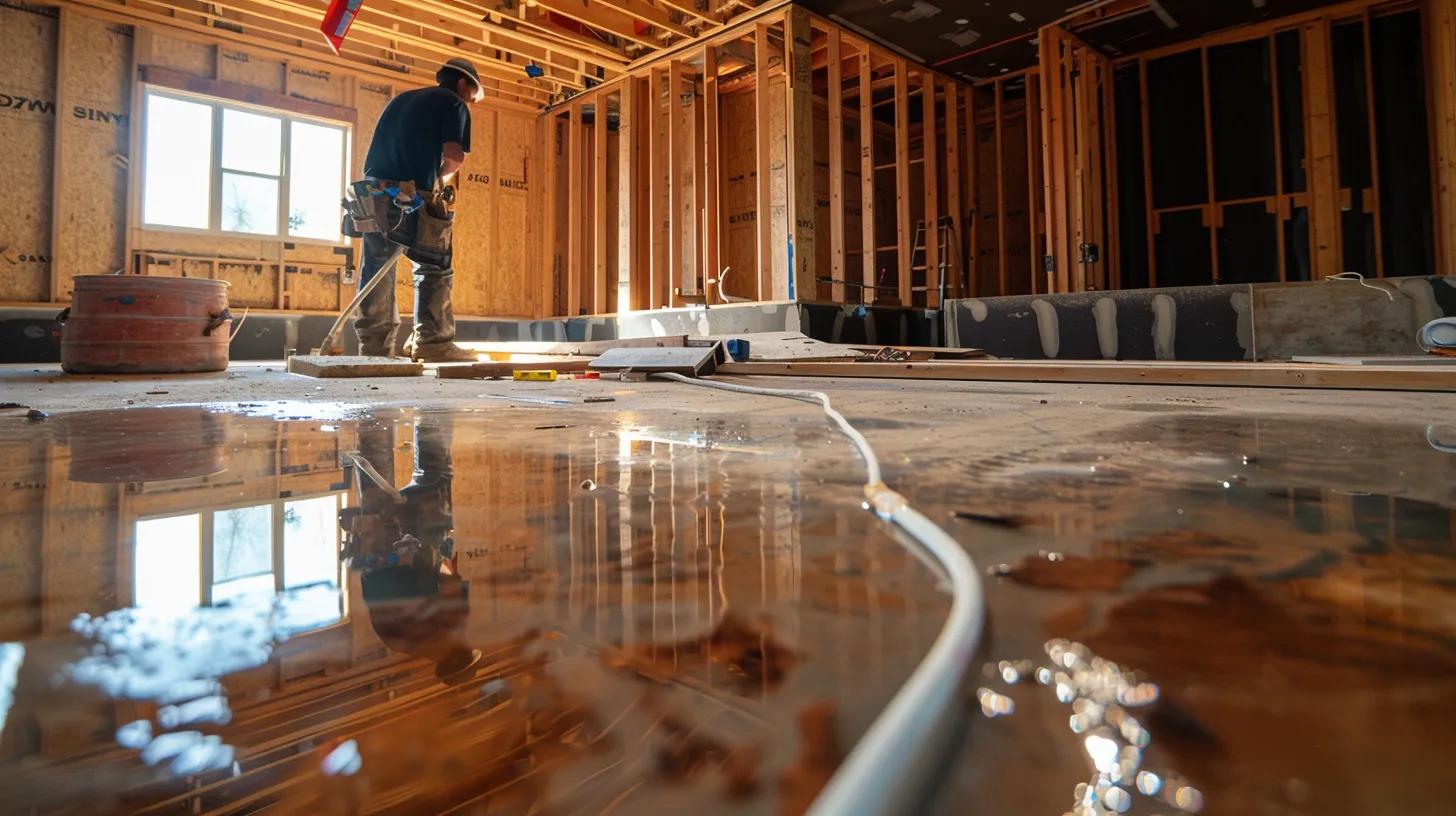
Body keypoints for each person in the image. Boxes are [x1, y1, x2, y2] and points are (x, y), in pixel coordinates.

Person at [342, 58, 483, 362]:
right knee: (434, 264)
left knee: (377, 269)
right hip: (413, 193)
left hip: (375, 194)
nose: (471, 99)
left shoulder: (402, 99)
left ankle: (375, 349)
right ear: (462, 84)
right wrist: (439, 179)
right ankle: (432, 342)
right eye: (472, 93)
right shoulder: (453, 103)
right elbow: (454, 156)